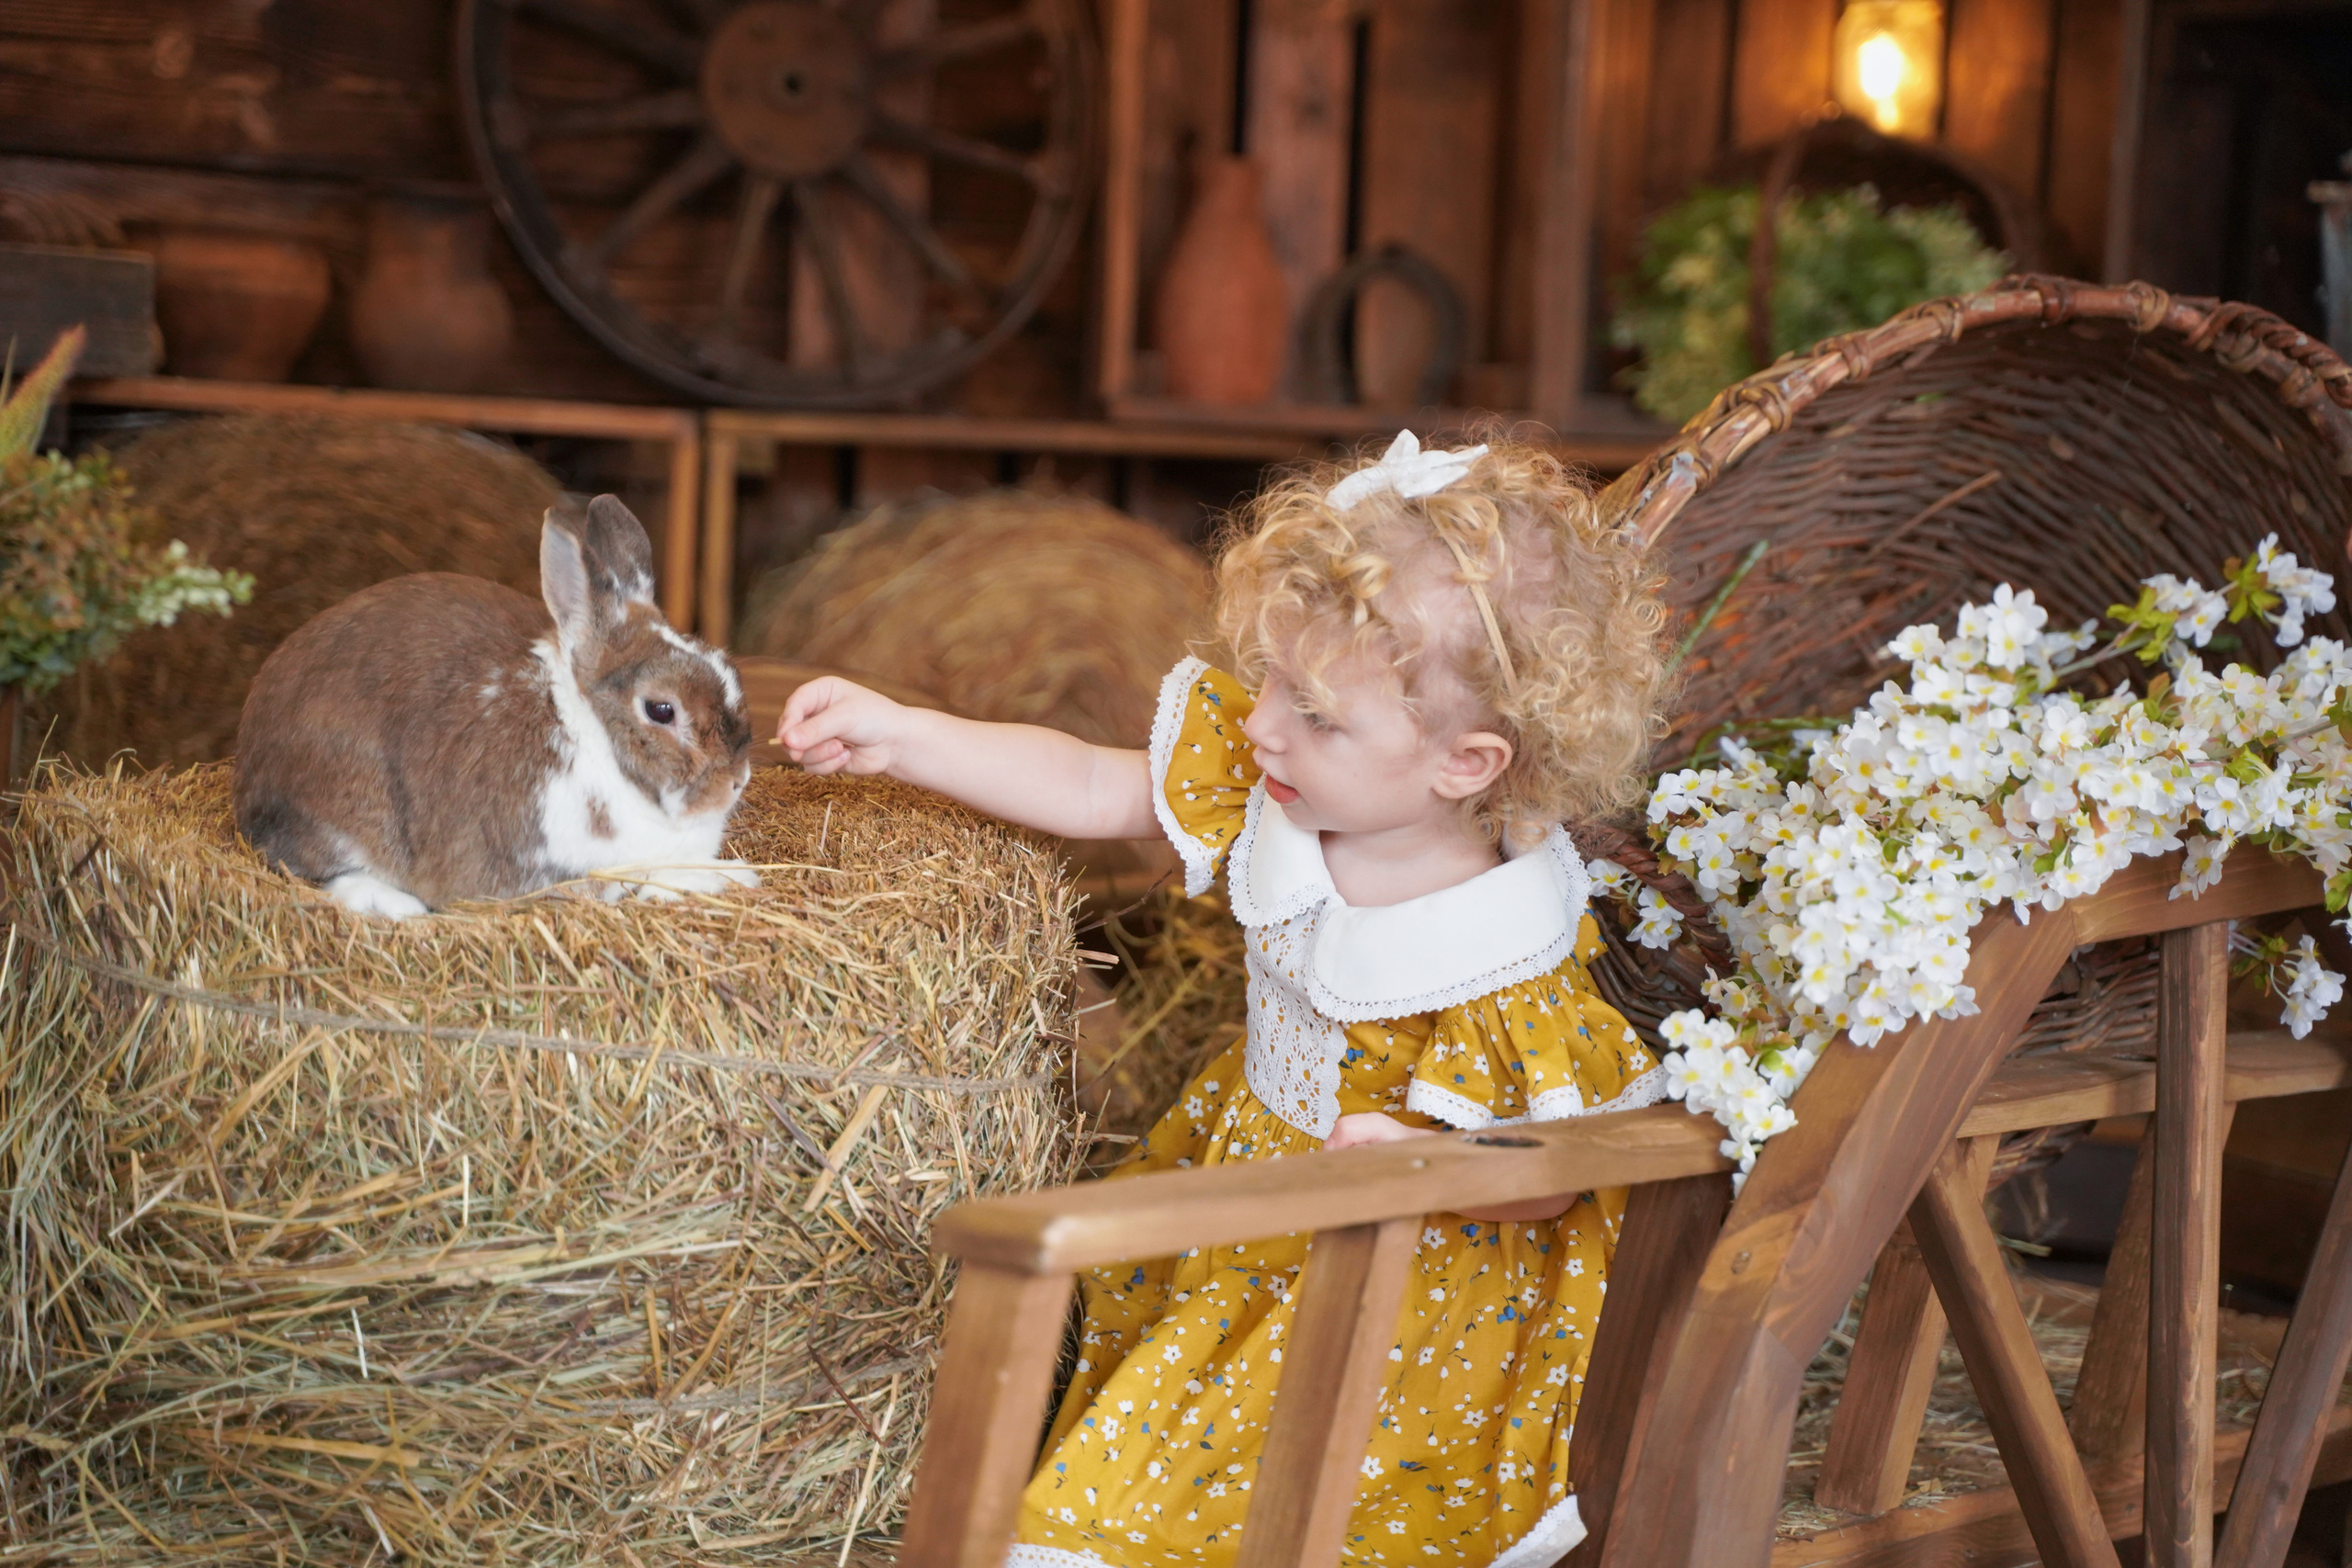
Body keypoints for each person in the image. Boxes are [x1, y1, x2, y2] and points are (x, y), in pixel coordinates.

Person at [778, 431, 1674, 1566]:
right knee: (1148, 1445)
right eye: (1271, 686)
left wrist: (1415, 1157)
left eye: (1315, 712)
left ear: (1466, 765)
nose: (1261, 728)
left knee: (1204, 1501)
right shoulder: (1285, 784)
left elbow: (1552, 1180)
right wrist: (906, 735)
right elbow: (1092, 783)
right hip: (1246, 1186)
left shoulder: (1499, 960)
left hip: (1399, 1283)